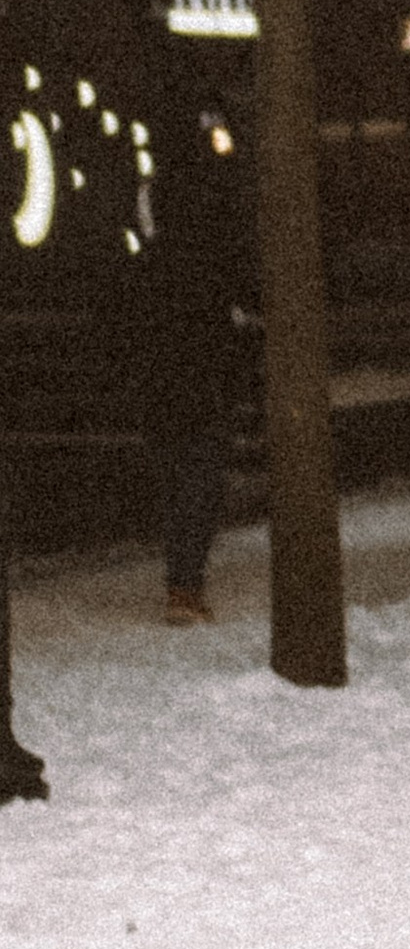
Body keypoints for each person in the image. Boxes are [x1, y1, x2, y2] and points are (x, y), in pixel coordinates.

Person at [123, 101, 260, 621]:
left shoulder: (155, 217)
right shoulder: (211, 216)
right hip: (199, 365)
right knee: (200, 474)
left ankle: (182, 581)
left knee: (177, 473)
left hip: (165, 365)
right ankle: (185, 584)